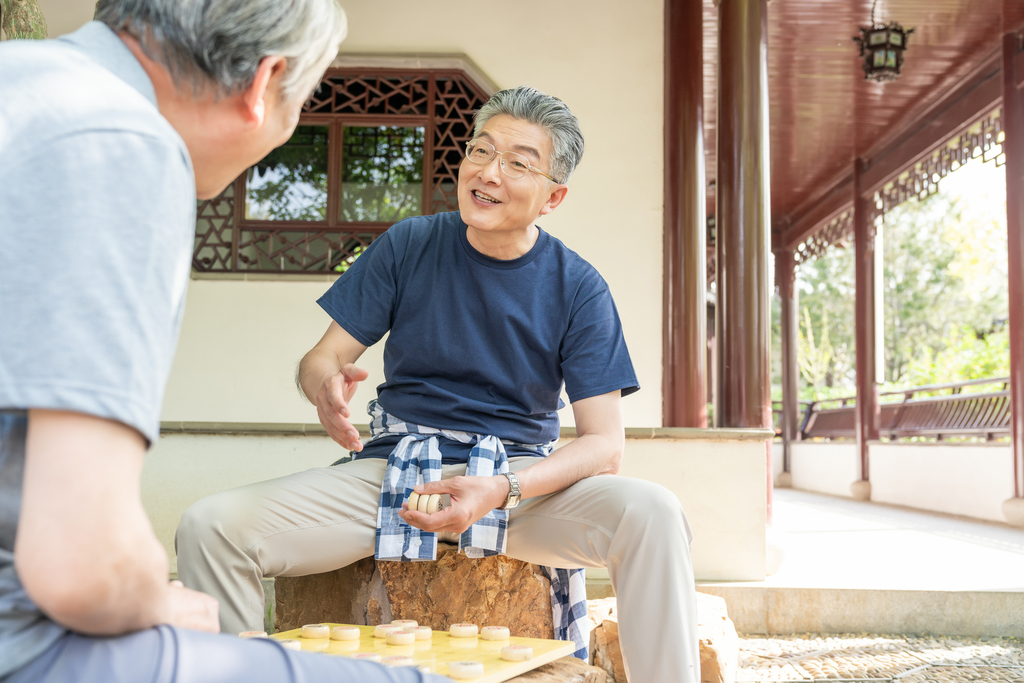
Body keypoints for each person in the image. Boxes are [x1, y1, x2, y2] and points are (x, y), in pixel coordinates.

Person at [176, 85, 701, 683]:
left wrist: (503, 488)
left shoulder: (578, 286)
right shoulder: (410, 245)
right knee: (211, 526)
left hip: (516, 481)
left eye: (518, 162)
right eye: (481, 150)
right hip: (395, 474)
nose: (489, 172)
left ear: (553, 196)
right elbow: (322, 357)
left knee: (654, 512)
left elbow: (604, 444)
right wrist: (323, 385)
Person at [0, 1, 443, 681]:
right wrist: (163, 597)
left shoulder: (23, 79)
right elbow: (82, 564)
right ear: (264, 83)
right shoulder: (126, 140)